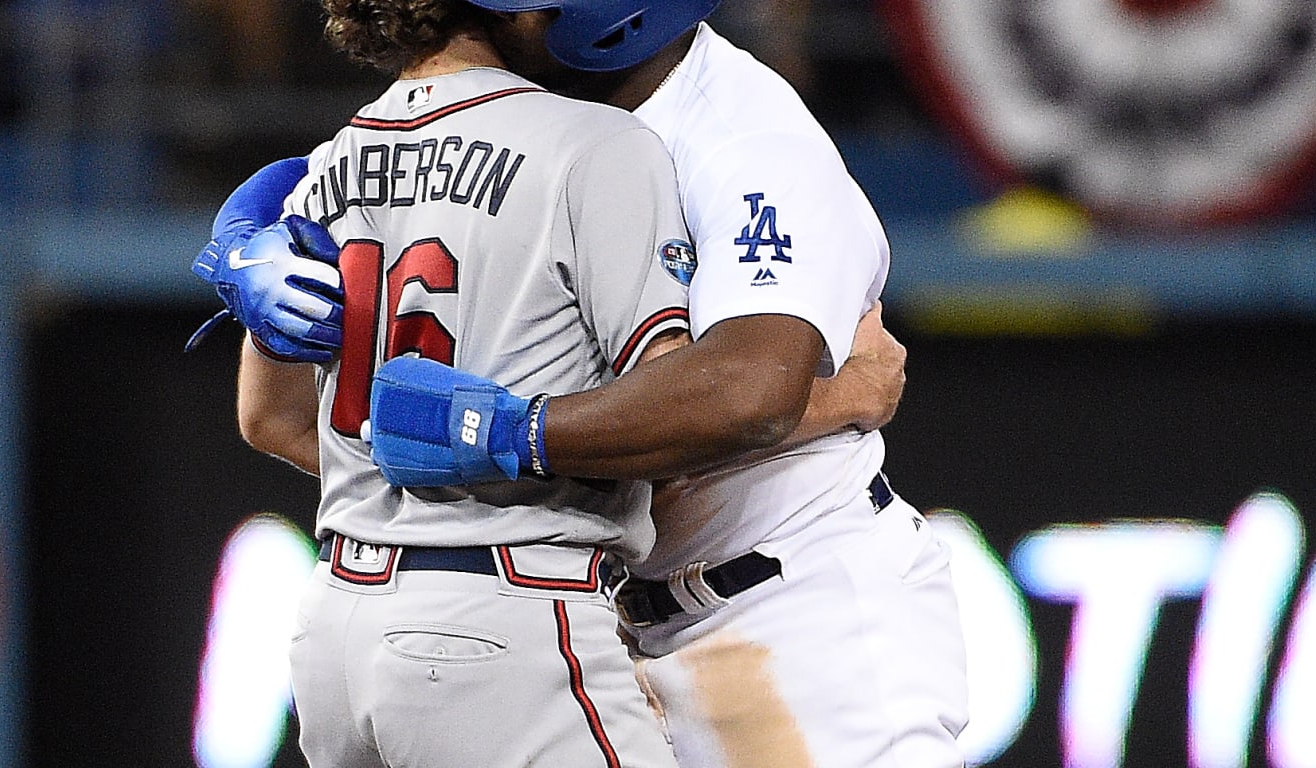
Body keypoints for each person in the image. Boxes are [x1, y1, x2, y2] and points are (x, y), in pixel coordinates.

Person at [199, 2, 967, 767]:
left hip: (784, 617)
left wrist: (504, 437)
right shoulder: (539, 126)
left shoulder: (744, 141)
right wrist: (247, 232)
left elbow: (744, 395)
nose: (490, 16)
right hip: (584, 626)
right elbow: (299, 420)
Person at [194, 1, 696, 765]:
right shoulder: (595, 145)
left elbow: (271, 420)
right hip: (509, 610)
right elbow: (679, 424)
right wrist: (507, 440)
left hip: (336, 628)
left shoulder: (325, 168)